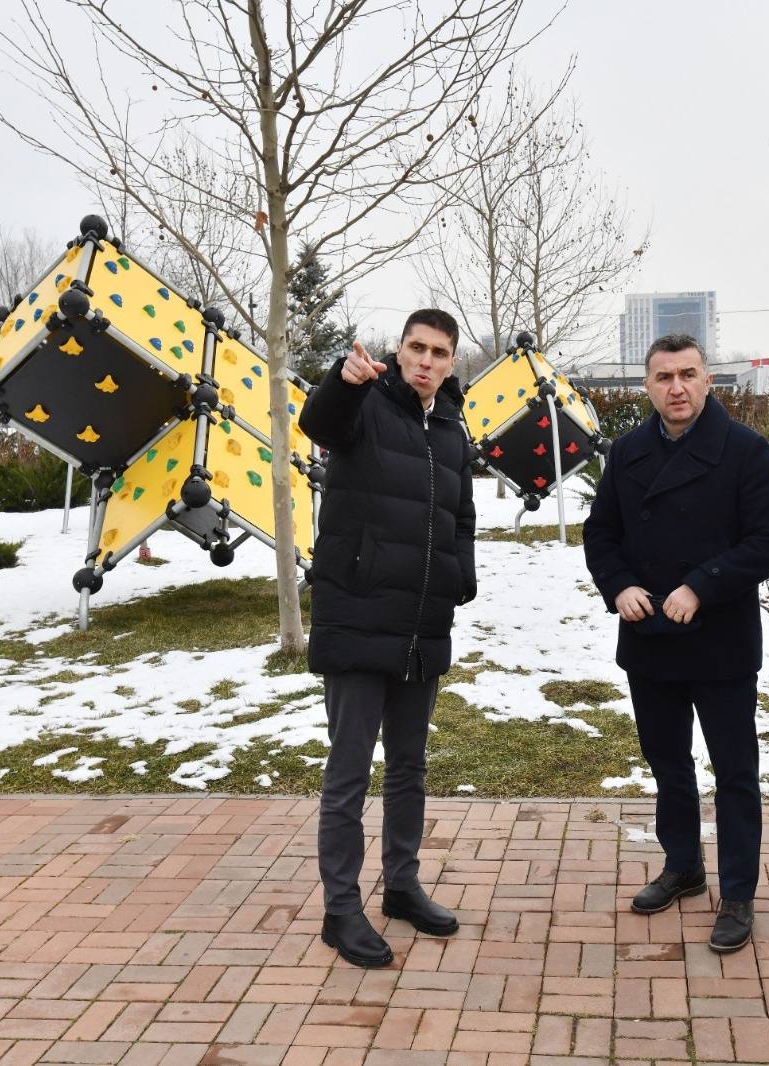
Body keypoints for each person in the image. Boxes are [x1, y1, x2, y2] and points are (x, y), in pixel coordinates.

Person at [583, 333, 769, 954]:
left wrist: (702, 585)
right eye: (663, 377)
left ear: (707, 380)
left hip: (720, 640)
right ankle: (683, 866)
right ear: (647, 386)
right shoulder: (628, 451)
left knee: (735, 771)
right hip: (649, 635)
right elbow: (601, 534)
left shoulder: (744, 449)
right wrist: (619, 586)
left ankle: (739, 892)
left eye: (687, 374)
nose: (676, 387)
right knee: (668, 763)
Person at [299, 308, 476, 968]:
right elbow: (320, 424)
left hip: (421, 623)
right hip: (357, 614)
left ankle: (401, 886)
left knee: (408, 768)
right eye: (416, 347)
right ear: (398, 350)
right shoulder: (364, 403)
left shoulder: (451, 429)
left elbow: (461, 516)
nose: (425, 360)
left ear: (451, 362)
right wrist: (341, 381)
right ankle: (340, 910)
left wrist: (460, 578)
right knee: (348, 773)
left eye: (438, 352)